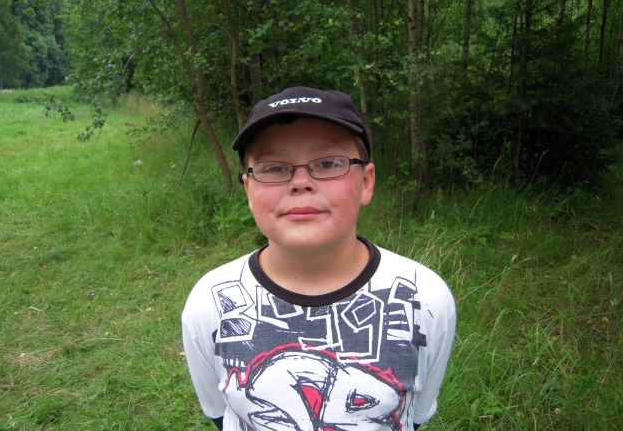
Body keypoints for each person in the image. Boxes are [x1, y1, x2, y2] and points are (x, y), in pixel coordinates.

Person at [182, 86, 456, 431]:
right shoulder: (209, 304)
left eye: (328, 163)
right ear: (249, 190)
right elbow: (221, 413)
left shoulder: (425, 298)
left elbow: (413, 414)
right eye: (273, 167)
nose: (300, 182)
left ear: (366, 182)